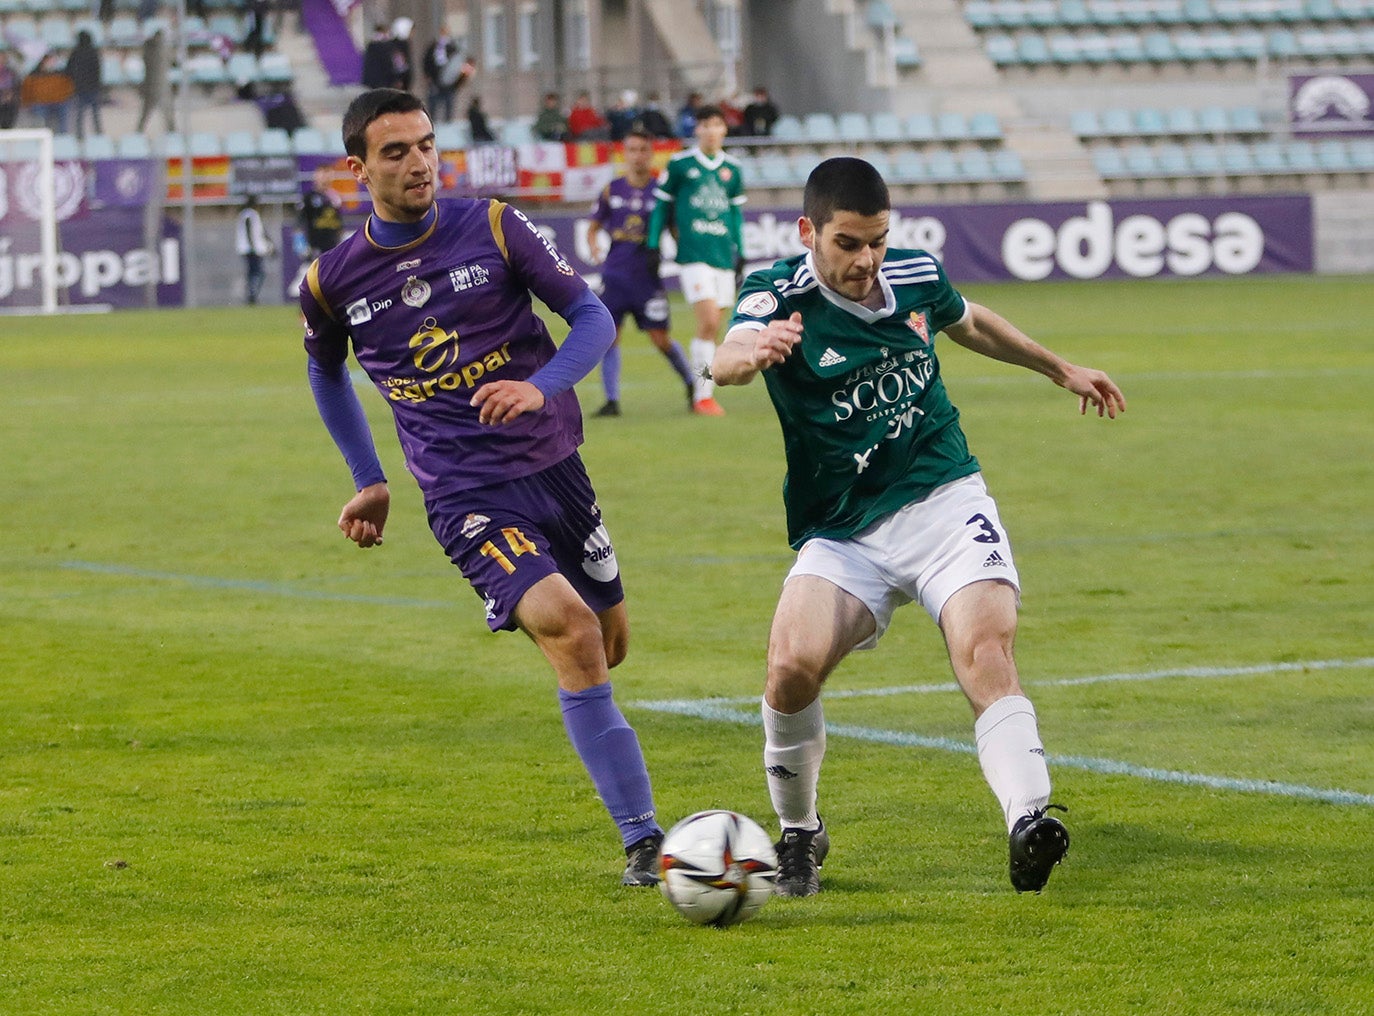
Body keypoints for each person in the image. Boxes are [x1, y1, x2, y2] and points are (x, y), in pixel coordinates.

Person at [710, 157, 1126, 897]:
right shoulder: (777, 294)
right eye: (847, 243)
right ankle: (800, 833)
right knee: (789, 670)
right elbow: (729, 354)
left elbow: (970, 323)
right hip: (843, 531)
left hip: (944, 500)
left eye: (877, 240)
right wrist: (750, 355)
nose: (865, 260)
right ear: (808, 231)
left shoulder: (914, 273)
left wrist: (1058, 367)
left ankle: (1029, 819)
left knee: (985, 645)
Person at [297, 88, 665, 886]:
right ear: (357, 168)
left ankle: (613, 758)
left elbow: (591, 317)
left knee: (610, 641)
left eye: (426, 144)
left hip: (557, 466)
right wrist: (370, 479)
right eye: (395, 151)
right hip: (466, 496)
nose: (418, 162)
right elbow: (325, 373)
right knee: (571, 630)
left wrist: (543, 385)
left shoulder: (494, 224)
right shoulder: (332, 280)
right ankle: (643, 841)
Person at [585, 129, 696, 417]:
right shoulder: (612, 189)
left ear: (650, 154)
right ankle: (612, 401)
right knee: (609, 337)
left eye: (643, 150)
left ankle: (692, 384)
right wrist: (594, 247)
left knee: (661, 339)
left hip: (646, 277)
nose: (637, 156)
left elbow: (674, 228)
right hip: (615, 276)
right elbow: (594, 225)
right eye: (632, 149)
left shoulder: (661, 190)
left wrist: (685, 251)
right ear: (625, 153)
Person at [645, 105, 745, 416]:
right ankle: (702, 395)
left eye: (717, 125)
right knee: (709, 321)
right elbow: (661, 207)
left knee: (715, 330)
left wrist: (740, 250)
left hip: (721, 257)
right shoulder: (680, 164)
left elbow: (735, 213)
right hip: (692, 256)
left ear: (724, 130)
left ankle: (702, 393)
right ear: (697, 130)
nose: (712, 131)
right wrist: (653, 244)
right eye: (706, 125)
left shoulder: (733, 169)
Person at [295, 164, 345, 260]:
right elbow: (299, 221)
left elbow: (339, 223)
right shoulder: (308, 198)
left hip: (332, 249)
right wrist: (300, 243)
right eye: (323, 173)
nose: (326, 178)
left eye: (329, 174)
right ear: (316, 176)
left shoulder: (335, 198)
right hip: (314, 250)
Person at [236, 194, 275, 304]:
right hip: (251, 249)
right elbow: (250, 230)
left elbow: (261, 231)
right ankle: (251, 295)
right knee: (257, 272)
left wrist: (269, 244)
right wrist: (252, 246)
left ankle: (251, 294)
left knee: (253, 272)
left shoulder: (247, 214)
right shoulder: (249, 214)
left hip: (250, 248)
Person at [20, 53, 74, 135]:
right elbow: (27, 90)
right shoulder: (34, 75)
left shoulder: (61, 74)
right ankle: (40, 136)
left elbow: (69, 87)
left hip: (59, 101)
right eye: (50, 61)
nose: (52, 63)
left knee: (63, 115)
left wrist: (64, 97)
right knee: (40, 119)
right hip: (41, 102)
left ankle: (63, 137)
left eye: (53, 61)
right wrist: (26, 102)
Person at [65, 29, 103, 141]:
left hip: (80, 88)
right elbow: (98, 71)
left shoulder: (76, 53)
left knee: (80, 114)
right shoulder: (94, 52)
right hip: (93, 87)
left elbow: (69, 70)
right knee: (95, 113)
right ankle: (98, 133)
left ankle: (79, 135)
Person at [136, 27, 172, 131]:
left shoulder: (148, 51)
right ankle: (172, 131)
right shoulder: (161, 51)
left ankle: (139, 131)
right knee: (167, 112)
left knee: (145, 113)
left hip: (150, 85)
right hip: (160, 86)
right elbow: (170, 61)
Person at [422, 30, 462, 123]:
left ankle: (447, 124)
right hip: (435, 82)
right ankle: (432, 123)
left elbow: (456, 65)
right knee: (433, 106)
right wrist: (428, 76)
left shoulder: (452, 48)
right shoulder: (433, 47)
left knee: (448, 106)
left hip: (448, 85)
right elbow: (426, 62)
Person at [360, 23, 396, 90]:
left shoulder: (372, 46)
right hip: (381, 81)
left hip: (374, 81)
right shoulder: (382, 47)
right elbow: (387, 64)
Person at [0, 52, 20, 131]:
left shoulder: (10, 72)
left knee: (10, 104)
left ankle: (7, 129)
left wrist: (9, 94)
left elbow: (15, 85)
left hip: (8, 96)